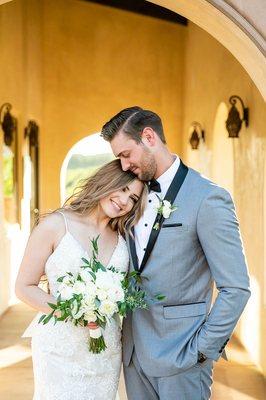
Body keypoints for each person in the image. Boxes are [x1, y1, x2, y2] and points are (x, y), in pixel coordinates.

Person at [101, 106, 251, 400]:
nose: (123, 165)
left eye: (125, 154)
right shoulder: (130, 196)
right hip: (133, 357)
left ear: (148, 137)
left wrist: (202, 351)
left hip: (183, 358)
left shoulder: (208, 198)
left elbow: (236, 288)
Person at [15, 159, 147, 400]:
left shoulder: (124, 237)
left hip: (105, 350)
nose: (125, 201)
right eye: (123, 189)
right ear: (107, 181)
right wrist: (71, 311)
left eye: (134, 199)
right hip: (59, 349)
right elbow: (24, 287)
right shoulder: (55, 224)